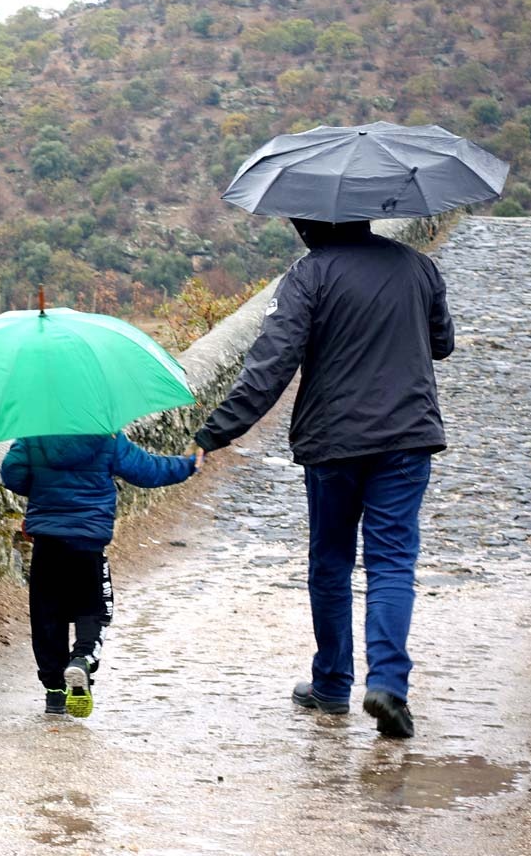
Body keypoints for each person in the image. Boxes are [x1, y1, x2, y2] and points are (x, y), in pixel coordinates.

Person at [193, 218, 454, 739]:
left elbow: (271, 365)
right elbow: (441, 342)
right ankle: (387, 686)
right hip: (406, 438)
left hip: (333, 443)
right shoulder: (417, 266)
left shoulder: (309, 275)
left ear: (313, 222)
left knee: (331, 561)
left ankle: (332, 684)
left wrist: (215, 433)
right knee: (392, 564)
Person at [1, 433, 199, 717]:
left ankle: (54, 693)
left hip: (47, 537)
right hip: (87, 539)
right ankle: (82, 658)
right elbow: (148, 471)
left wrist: (45, 489)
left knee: (47, 614)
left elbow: (12, 475)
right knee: (93, 607)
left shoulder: (34, 433)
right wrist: (190, 464)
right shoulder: (107, 435)